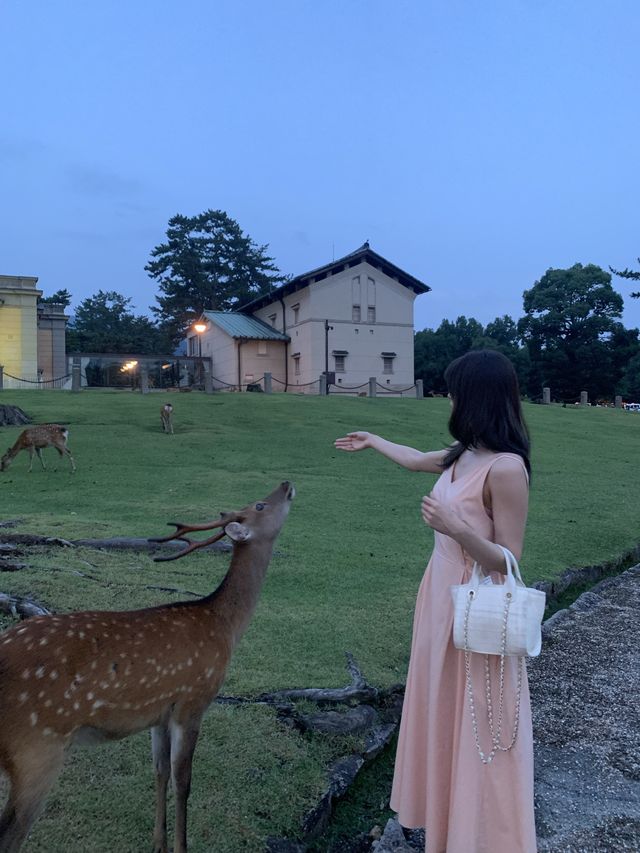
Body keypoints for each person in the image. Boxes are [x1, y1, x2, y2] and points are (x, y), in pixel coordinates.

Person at [334, 349, 537, 853]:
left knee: (478, 720)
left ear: (477, 397)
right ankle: (446, 824)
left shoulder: (506, 469)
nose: (449, 398)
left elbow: (508, 559)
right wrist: (373, 440)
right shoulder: (462, 452)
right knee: (443, 708)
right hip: (439, 596)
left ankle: (484, 835)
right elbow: (414, 459)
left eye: (454, 390)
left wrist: (457, 529)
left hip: (476, 606)